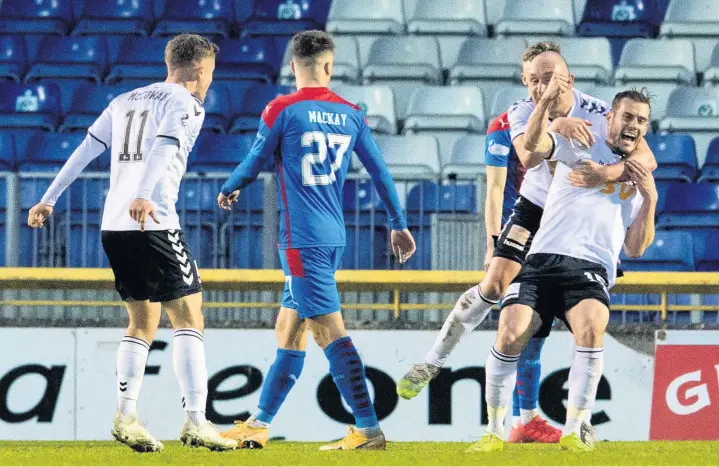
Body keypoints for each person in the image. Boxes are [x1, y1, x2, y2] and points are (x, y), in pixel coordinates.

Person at [397, 41, 657, 443]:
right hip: (535, 208)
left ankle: (529, 417)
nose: (542, 85)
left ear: (568, 76)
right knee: (497, 288)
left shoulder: (600, 112)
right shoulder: (520, 111)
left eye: (550, 77)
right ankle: (433, 360)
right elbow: (524, 157)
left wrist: (604, 174)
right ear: (525, 81)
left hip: (581, 217)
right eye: (534, 79)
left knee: (533, 324)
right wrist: (554, 122)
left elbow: (646, 157)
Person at [27, 34, 237, 452]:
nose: (210, 79)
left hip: (114, 225)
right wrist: (144, 192)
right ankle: (197, 421)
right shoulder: (185, 103)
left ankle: (126, 415)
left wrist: (49, 198)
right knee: (190, 316)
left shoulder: (124, 100)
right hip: (154, 219)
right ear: (198, 69)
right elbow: (163, 147)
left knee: (142, 322)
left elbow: (86, 149)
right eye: (210, 71)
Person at [216, 30, 416, 451]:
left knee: (329, 333)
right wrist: (398, 222)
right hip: (332, 237)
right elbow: (380, 171)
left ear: (293, 66)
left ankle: (368, 429)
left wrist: (232, 185)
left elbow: (255, 159)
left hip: (301, 241)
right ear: (329, 66)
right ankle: (259, 423)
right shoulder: (351, 113)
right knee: (289, 330)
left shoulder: (282, 109)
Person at [473, 87, 657, 453]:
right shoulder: (580, 141)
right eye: (627, 117)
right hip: (541, 259)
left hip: (591, 267)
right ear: (610, 117)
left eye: (641, 120)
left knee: (591, 328)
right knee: (509, 333)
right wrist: (551, 115)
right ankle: (494, 431)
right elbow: (535, 149)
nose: (633, 125)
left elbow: (635, 247)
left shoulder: (640, 175)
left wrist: (649, 198)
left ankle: (576, 427)